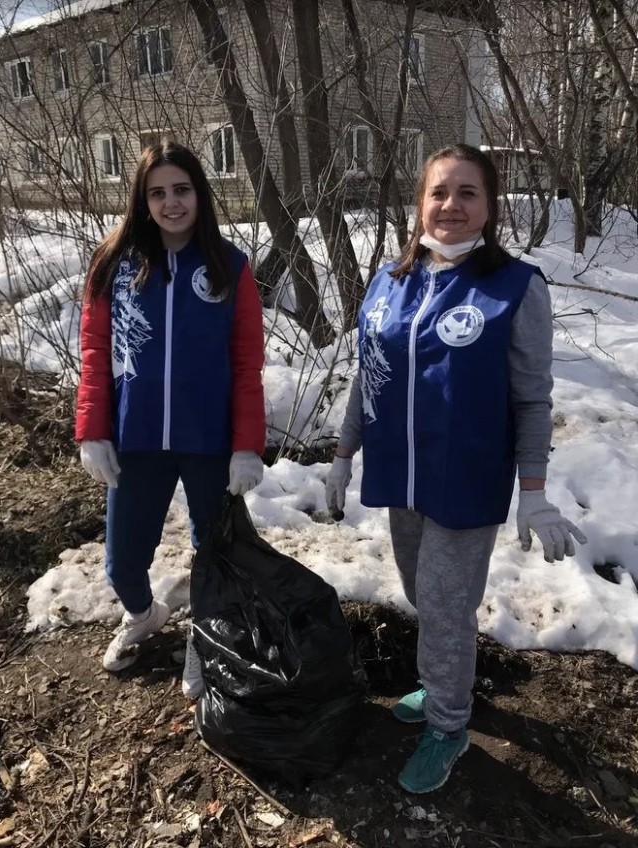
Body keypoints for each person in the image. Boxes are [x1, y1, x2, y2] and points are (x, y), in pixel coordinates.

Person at [325, 144, 587, 794]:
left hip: (466, 479)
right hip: (401, 476)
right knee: (424, 592)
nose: (451, 205)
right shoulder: (390, 279)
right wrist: (340, 455)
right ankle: (444, 678)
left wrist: (535, 492)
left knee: (444, 603)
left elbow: (531, 396)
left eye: (468, 192)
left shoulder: (515, 287)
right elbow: (369, 375)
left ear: (490, 207)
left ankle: (448, 724)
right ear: (421, 202)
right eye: (440, 192)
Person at [76, 141, 266, 699]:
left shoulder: (229, 266)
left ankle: (206, 637)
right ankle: (145, 614)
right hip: (134, 440)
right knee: (121, 561)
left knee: (217, 552)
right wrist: (92, 429)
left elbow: (246, 362)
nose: (171, 202)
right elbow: (94, 352)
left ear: (199, 193)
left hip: (209, 440)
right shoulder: (114, 263)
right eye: (157, 192)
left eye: (181, 189)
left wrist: (246, 445)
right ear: (142, 199)